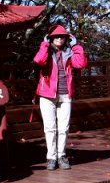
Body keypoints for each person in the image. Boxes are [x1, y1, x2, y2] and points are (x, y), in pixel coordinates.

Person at [34, 24, 88, 170]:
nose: (59, 39)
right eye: (56, 36)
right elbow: (38, 60)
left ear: (66, 39)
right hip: (47, 95)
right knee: (49, 128)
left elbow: (81, 63)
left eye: (62, 37)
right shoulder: (46, 51)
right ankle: (51, 157)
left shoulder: (69, 52)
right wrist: (45, 44)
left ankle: (61, 156)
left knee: (63, 128)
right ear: (51, 38)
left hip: (65, 94)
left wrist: (76, 45)